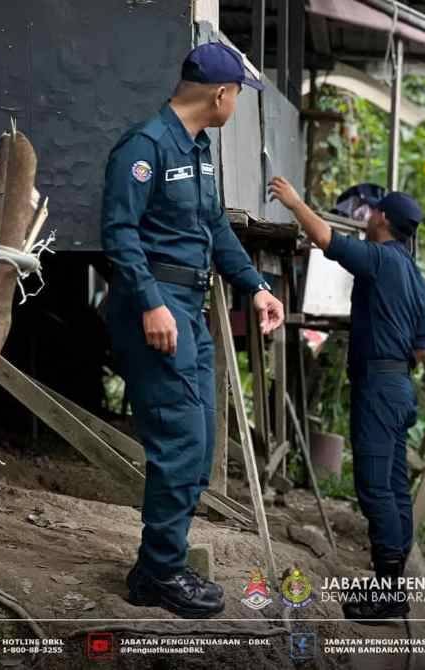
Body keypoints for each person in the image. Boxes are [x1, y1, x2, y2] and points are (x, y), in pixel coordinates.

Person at [101, 42, 284, 619]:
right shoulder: (145, 146)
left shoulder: (199, 149)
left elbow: (215, 228)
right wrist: (151, 303)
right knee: (181, 442)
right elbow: (119, 231)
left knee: (199, 442)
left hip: (190, 305)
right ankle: (159, 573)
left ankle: (157, 567)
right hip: (156, 304)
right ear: (221, 94)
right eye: (239, 96)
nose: (237, 105)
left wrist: (256, 286)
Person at [268, 176, 425, 623]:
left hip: (378, 387)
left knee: (374, 487)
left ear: (382, 218)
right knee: (394, 487)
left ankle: (389, 593)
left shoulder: (380, 259)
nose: (368, 216)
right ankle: (391, 583)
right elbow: (421, 350)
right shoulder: (414, 275)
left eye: (373, 211)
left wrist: (294, 202)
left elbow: (325, 239)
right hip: (400, 385)